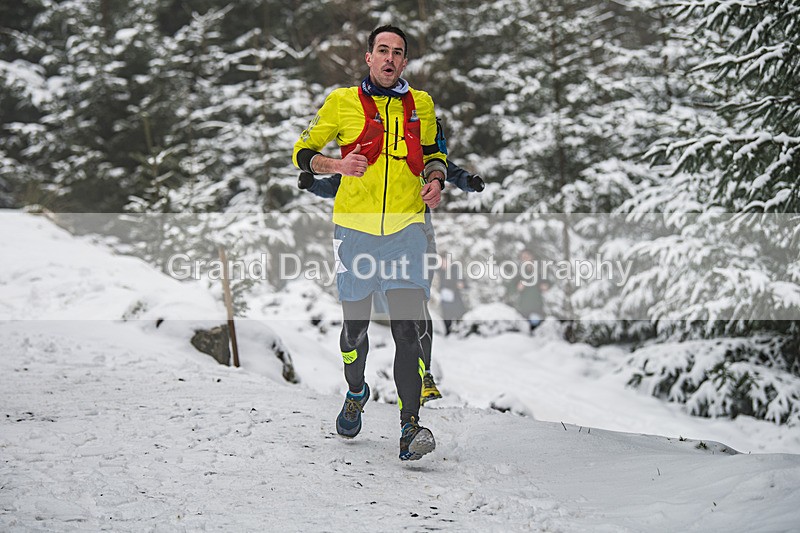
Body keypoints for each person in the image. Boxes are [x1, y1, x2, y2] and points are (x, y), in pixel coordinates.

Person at [292, 24, 447, 461]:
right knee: (354, 329)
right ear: (368, 57)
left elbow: (435, 155)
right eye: (383, 50)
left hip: (405, 233)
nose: (390, 58)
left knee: (407, 329)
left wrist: (435, 181)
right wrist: (336, 165)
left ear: (405, 61)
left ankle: (410, 426)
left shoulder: (421, 104)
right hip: (356, 233)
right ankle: (356, 392)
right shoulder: (341, 102)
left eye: (398, 52)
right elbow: (302, 153)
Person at [298, 157, 485, 403]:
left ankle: (424, 374)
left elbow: (439, 165)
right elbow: (337, 184)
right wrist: (312, 183)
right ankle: (358, 388)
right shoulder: (365, 155)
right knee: (358, 321)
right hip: (366, 241)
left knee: (415, 310)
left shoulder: (411, 147)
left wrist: (467, 181)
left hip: (411, 235)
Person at [508, 249, 551, 335]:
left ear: (532, 257)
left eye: (527, 256)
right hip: (522, 309)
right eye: (523, 257)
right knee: (523, 335)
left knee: (536, 332)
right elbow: (510, 289)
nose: (525, 259)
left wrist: (546, 286)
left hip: (537, 308)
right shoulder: (518, 273)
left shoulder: (539, 271)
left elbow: (548, 282)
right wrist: (517, 288)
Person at [438, 252, 468, 336]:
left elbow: (463, 282)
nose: (443, 263)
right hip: (445, 300)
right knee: (446, 319)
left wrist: (461, 284)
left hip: (455, 299)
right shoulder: (441, 271)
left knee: (459, 316)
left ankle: (460, 334)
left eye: (445, 261)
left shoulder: (455, 269)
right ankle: (448, 335)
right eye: (442, 261)